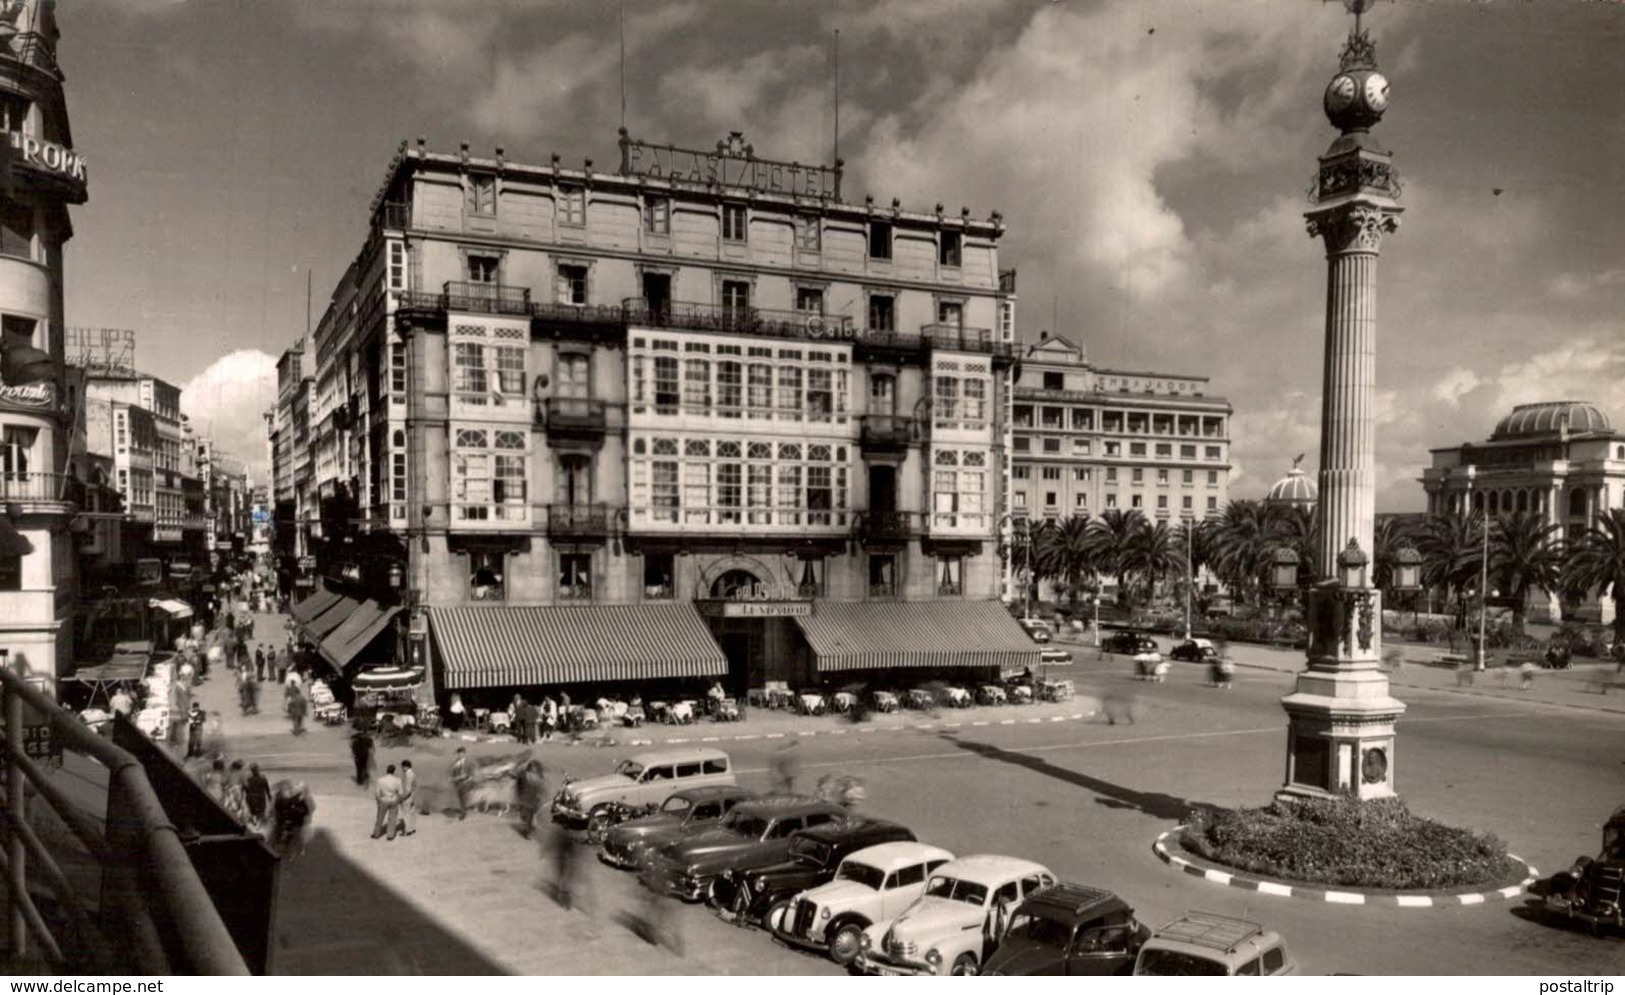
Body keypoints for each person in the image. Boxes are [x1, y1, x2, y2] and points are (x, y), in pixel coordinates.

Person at [271, 781, 314, 858]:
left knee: (296, 836)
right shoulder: (292, 797)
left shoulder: (303, 798)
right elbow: (284, 805)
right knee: (286, 835)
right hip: (288, 820)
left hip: (296, 821)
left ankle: (295, 851)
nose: (293, 790)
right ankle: (284, 850)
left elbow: (307, 810)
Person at [372, 764, 403, 840]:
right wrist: (397, 801)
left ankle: (376, 834)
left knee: (379, 818)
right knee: (392, 819)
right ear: (393, 771)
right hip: (393, 801)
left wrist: (378, 801)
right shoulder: (398, 780)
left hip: (383, 800)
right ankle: (390, 835)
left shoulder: (380, 780)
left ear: (387, 770)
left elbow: (377, 793)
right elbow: (401, 793)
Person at [516, 759, 543, 839]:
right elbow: (518, 786)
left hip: (533, 798)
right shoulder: (522, 775)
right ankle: (527, 829)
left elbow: (540, 787)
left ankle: (527, 831)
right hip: (525, 797)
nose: (534, 770)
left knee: (530, 815)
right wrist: (519, 796)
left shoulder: (538, 777)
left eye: (535, 769)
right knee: (525, 815)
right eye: (532, 768)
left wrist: (539, 796)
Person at [244, 762, 271, 832]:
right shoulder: (263, 777)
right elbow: (267, 788)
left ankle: (255, 824)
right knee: (261, 812)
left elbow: (246, 789)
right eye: (258, 769)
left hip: (251, 797)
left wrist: (248, 796)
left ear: (251, 771)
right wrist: (269, 796)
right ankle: (259, 826)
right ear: (258, 769)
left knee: (254, 812)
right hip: (260, 797)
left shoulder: (249, 779)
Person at [449, 747, 472, 820]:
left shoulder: (467, 763)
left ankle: (463, 813)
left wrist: (456, 778)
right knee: (460, 799)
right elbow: (452, 772)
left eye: (461, 753)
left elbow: (467, 774)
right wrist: (452, 778)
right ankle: (463, 810)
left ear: (464, 754)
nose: (459, 755)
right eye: (458, 754)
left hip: (465, 783)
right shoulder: (456, 763)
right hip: (458, 784)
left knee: (464, 799)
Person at [398, 759, 418, 837]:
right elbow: (414, 786)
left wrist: (402, 798)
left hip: (407, 797)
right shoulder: (413, 774)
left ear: (405, 767)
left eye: (402, 767)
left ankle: (407, 831)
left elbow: (407, 789)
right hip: (413, 796)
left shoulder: (407, 775)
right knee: (412, 813)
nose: (402, 769)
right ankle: (412, 828)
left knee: (406, 814)